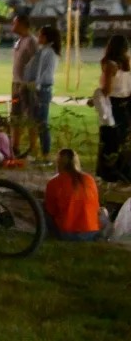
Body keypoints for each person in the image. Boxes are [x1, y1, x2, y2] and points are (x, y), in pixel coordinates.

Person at [44, 149, 110, 241]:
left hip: (66, 234)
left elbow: (51, 211)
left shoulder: (54, 183)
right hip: (91, 232)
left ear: (59, 163)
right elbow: (96, 208)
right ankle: (102, 236)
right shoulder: (89, 179)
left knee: (44, 209)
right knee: (104, 212)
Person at [96, 34, 131, 183]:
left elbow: (107, 90)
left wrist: (96, 97)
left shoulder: (110, 65)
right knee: (123, 140)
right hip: (127, 105)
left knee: (110, 140)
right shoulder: (127, 64)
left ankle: (109, 174)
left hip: (113, 105)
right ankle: (124, 173)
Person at [9, 14, 40, 158]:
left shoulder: (32, 41)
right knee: (15, 115)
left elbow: (36, 64)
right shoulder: (20, 40)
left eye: (14, 23)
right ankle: (15, 146)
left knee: (30, 116)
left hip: (27, 86)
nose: (12, 26)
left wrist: (28, 82)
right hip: (16, 84)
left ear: (22, 24)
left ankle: (33, 147)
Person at [32, 25, 61, 160]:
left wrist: (35, 85)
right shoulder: (46, 51)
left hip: (43, 89)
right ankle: (43, 152)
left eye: (40, 35)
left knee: (42, 123)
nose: (38, 37)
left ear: (46, 37)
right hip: (43, 88)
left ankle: (46, 153)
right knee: (40, 122)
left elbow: (43, 73)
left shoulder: (48, 52)